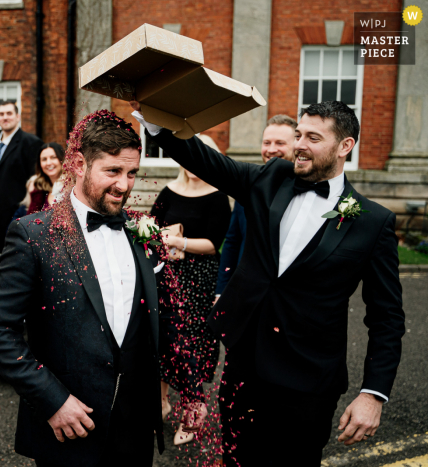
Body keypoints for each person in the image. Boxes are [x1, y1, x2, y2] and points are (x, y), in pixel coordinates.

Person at [131, 100, 404, 466]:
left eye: (313, 137)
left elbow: (387, 318)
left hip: (309, 383)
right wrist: (155, 118)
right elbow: (207, 160)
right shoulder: (269, 178)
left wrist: (373, 394)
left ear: (345, 146)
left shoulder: (374, 222)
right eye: (298, 135)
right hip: (245, 369)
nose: (300, 145)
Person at [0, 110, 207, 467]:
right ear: (79, 163)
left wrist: (192, 390)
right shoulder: (33, 234)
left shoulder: (141, 232)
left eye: (132, 173)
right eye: (113, 171)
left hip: (135, 427)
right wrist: (53, 400)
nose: (125, 185)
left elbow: (165, 317)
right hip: (69, 425)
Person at [150, 134, 231, 446]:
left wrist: (178, 241)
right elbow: (152, 226)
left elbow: (213, 243)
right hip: (168, 276)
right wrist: (157, 237)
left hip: (200, 279)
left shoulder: (218, 196)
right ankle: (161, 402)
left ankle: (192, 412)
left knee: (192, 346)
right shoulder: (169, 191)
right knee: (162, 339)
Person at [215, 114, 297, 299]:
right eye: (267, 142)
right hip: (244, 291)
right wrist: (221, 290)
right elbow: (233, 241)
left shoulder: (307, 191)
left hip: (286, 296)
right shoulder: (249, 185)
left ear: (296, 146)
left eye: (280, 143)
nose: (271, 149)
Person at [0, 101, 43, 261]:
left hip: (11, 220)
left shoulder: (31, 143)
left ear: (18, 117)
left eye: (9, 113)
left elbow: (34, 184)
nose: (5, 117)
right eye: (1, 114)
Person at [27, 142, 65, 214]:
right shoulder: (39, 190)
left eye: (53, 157)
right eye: (44, 159)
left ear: (62, 159)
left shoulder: (72, 187)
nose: (48, 163)